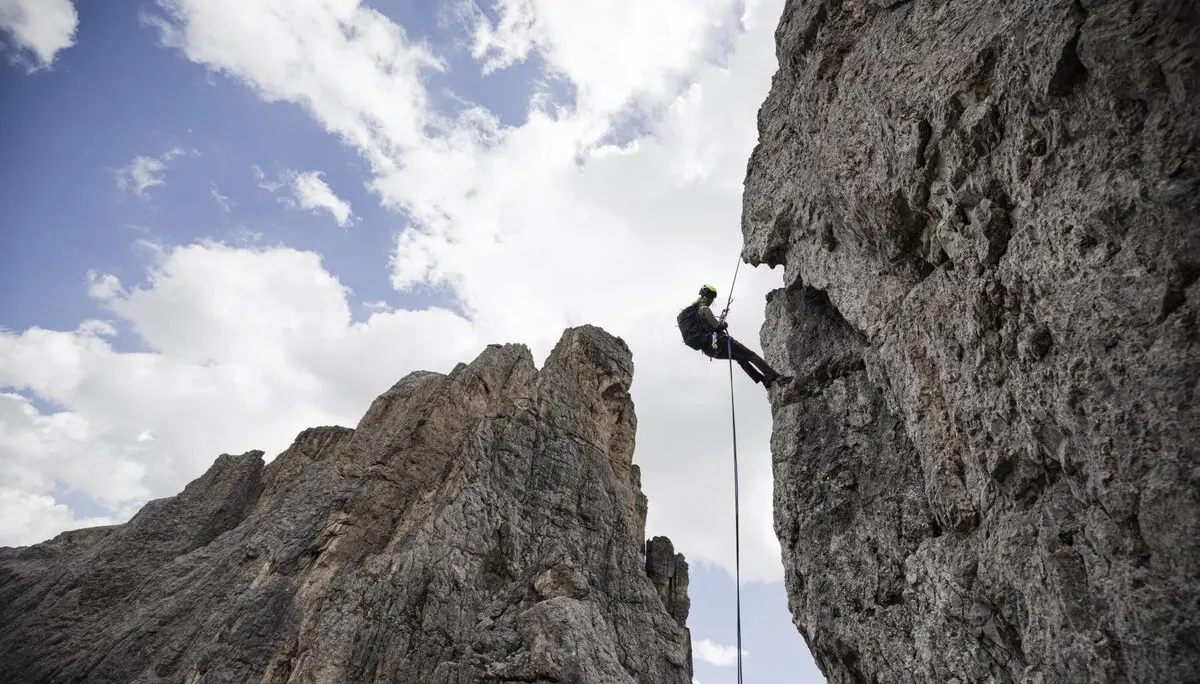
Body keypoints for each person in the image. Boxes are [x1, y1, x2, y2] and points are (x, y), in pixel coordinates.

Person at [677, 284, 793, 390]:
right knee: (751, 355)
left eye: (712, 298)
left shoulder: (694, 314)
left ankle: (764, 380)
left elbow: (709, 328)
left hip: (710, 351)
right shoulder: (705, 309)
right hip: (720, 341)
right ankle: (776, 377)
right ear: (705, 297)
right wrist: (724, 324)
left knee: (740, 358)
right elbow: (717, 327)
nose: (710, 300)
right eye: (710, 297)